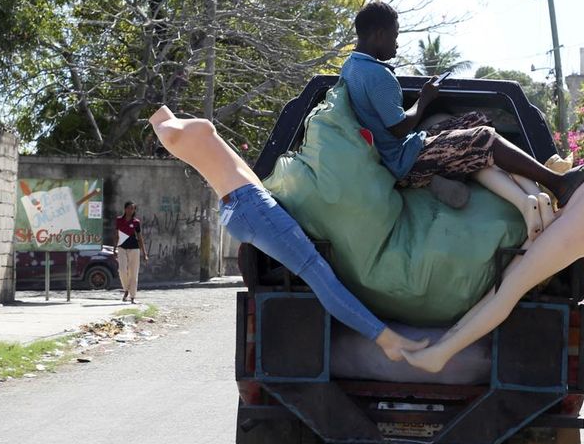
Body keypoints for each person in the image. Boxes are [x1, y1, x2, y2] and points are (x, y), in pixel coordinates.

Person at [403, 121, 584, 373]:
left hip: (581, 223)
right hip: (578, 212)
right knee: (503, 285)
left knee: (510, 288)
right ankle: (447, 341)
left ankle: (442, 353)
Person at [147, 106, 428, 362]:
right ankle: (385, 338)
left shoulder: (169, 126)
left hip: (241, 205)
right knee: (318, 274)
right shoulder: (169, 130)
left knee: (317, 272)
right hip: (250, 204)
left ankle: (381, 335)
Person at [340, 1, 584, 239]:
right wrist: (424, 98)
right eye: (395, 36)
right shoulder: (377, 76)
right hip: (403, 162)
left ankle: (488, 174)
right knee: (484, 137)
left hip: (398, 153)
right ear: (378, 34)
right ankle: (558, 183)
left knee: (476, 119)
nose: (396, 44)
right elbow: (399, 128)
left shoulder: (351, 67)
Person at [114, 201, 148, 304]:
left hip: (134, 248)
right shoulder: (119, 220)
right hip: (121, 247)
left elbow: (140, 237)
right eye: (129, 208)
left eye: (133, 209)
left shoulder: (136, 222)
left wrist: (144, 253)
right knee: (122, 270)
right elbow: (116, 235)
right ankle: (126, 289)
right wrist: (113, 248)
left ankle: (132, 296)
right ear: (125, 209)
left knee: (133, 273)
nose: (131, 210)